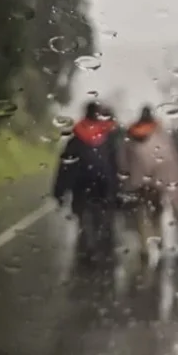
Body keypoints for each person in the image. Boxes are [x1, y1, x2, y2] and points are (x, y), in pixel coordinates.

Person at [117, 105, 178, 264]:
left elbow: (123, 160)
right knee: (157, 212)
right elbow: (171, 160)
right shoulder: (160, 134)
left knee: (141, 214)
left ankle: (144, 246)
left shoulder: (131, 134)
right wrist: (175, 185)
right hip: (158, 182)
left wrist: (125, 180)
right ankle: (159, 238)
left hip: (138, 182)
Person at [52, 101, 123, 256]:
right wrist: (119, 189)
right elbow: (116, 165)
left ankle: (88, 244)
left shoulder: (76, 139)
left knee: (84, 215)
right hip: (104, 185)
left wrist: (59, 191)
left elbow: (65, 166)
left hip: (81, 185)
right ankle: (103, 246)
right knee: (104, 216)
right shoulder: (107, 137)